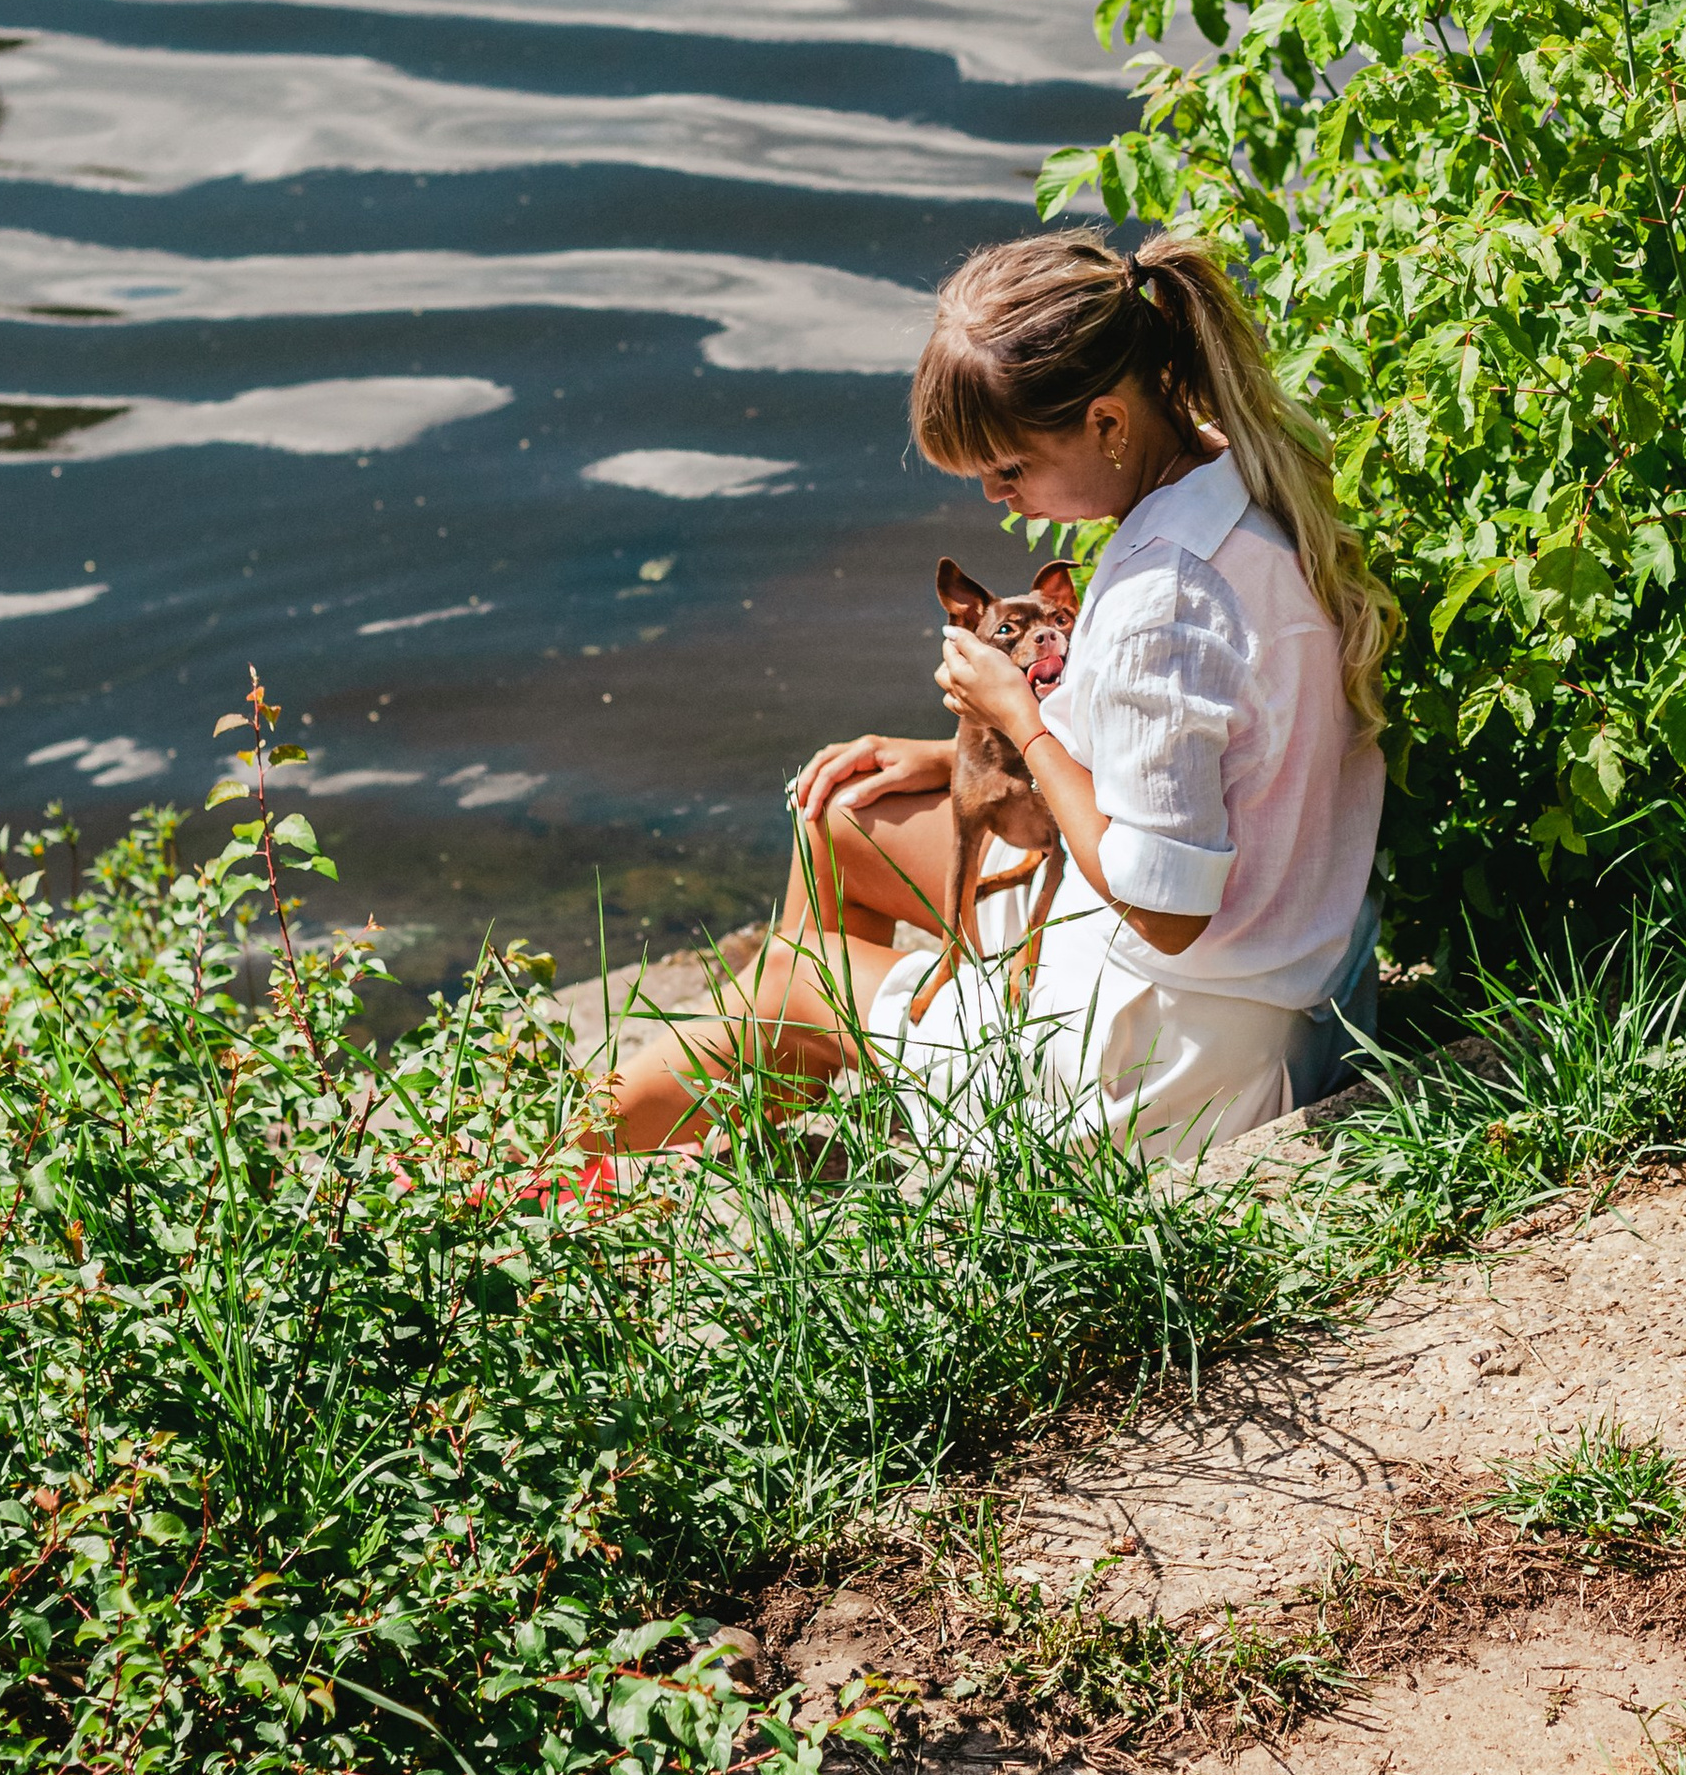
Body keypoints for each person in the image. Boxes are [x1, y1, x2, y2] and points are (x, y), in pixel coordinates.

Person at [575, 226, 1393, 1165]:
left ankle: (533, 1162)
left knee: (797, 969)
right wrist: (948, 757)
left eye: (1012, 468)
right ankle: (799, 1062)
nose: (1003, 502)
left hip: (1167, 1063)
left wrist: (1018, 718)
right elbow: (1198, 753)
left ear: (1107, 422)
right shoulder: (1230, 471)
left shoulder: (1162, 600)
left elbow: (1166, 908)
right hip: (1280, 977)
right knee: (842, 813)